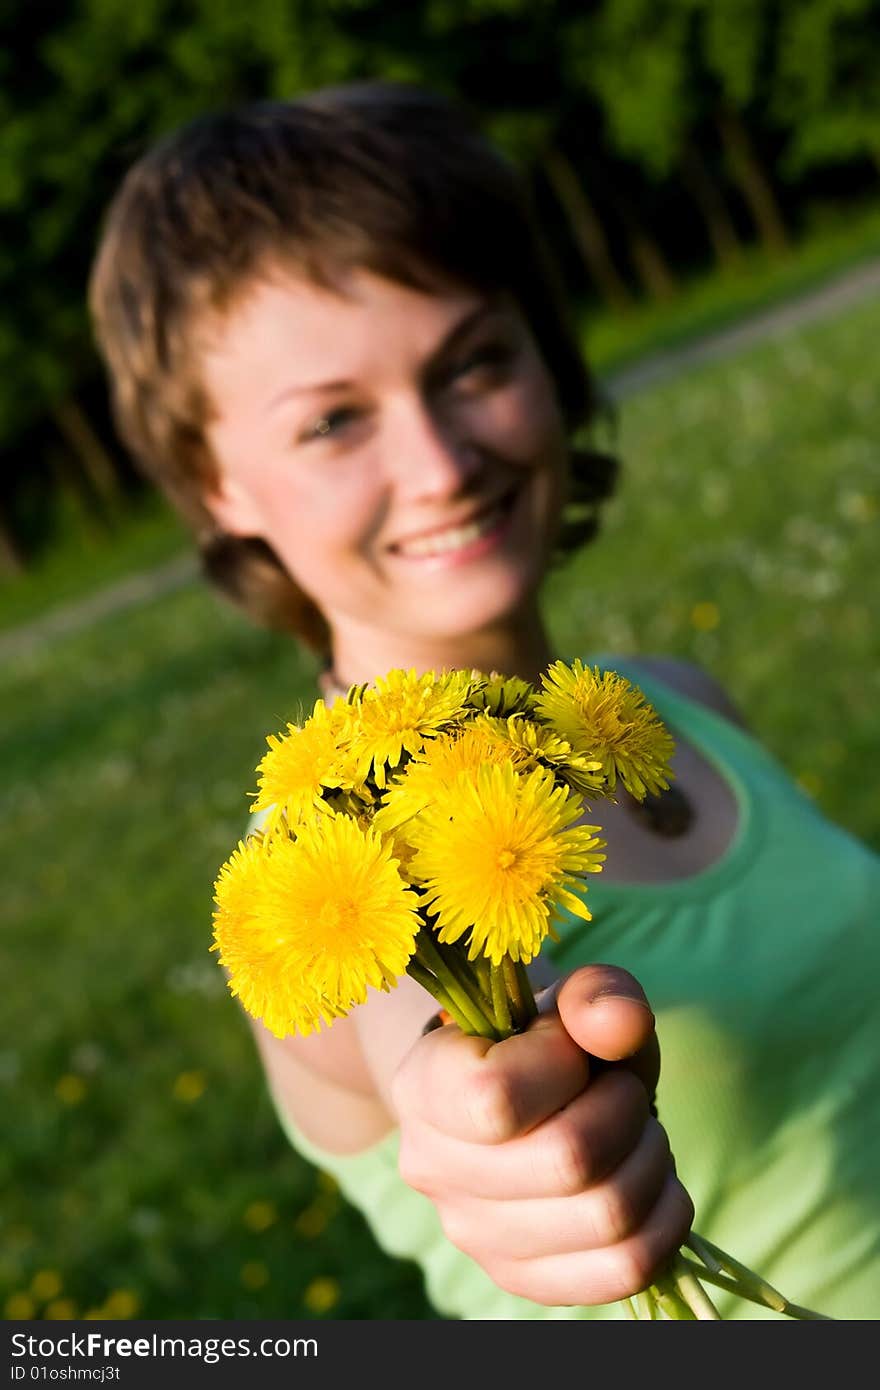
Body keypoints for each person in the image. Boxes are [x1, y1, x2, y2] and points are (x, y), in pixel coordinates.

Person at [87, 82, 880, 1320]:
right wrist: (497, 1143)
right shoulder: (314, 890)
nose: (441, 462)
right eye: (334, 421)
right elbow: (435, 1063)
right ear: (213, 479)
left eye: (473, 364)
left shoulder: (675, 703)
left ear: (542, 355)